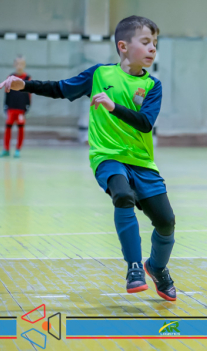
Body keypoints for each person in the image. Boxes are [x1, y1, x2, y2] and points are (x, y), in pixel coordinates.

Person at [0, 16, 177, 301]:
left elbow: (145, 123)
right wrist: (26, 86)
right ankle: (134, 266)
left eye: (155, 43)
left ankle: (156, 267)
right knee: (122, 196)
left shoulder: (152, 85)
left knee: (166, 221)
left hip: (142, 161)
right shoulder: (99, 75)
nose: (152, 48)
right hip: (107, 156)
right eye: (145, 42)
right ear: (123, 46)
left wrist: (113, 106)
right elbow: (60, 88)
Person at [2, 56, 31, 158]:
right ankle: (6, 149)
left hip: (21, 109)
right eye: (17, 64)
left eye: (21, 64)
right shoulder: (10, 77)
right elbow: (7, 92)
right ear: (14, 64)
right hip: (11, 108)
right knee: (8, 128)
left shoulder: (28, 78)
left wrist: (27, 106)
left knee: (21, 129)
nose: (19, 66)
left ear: (24, 65)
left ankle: (18, 150)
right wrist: (5, 105)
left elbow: (29, 94)